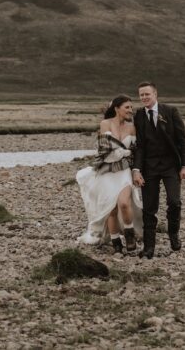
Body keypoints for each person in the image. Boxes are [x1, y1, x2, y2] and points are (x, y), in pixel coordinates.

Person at [132, 81, 185, 258]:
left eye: (147, 94)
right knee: (149, 208)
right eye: (141, 95)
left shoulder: (170, 111)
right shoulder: (140, 116)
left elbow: (183, 140)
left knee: (174, 202)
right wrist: (136, 169)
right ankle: (149, 247)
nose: (144, 98)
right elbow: (140, 146)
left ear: (155, 94)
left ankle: (173, 233)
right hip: (149, 167)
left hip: (170, 166)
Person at [76, 95, 141, 253]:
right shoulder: (105, 124)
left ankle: (129, 234)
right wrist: (125, 151)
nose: (130, 110)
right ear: (117, 108)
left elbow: (134, 151)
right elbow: (106, 150)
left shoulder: (132, 127)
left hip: (124, 170)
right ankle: (115, 241)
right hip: (107, 171)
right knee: (111, 208)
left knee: (124, 203)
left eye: (131, 108)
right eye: (127, 107)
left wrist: (130, 161)